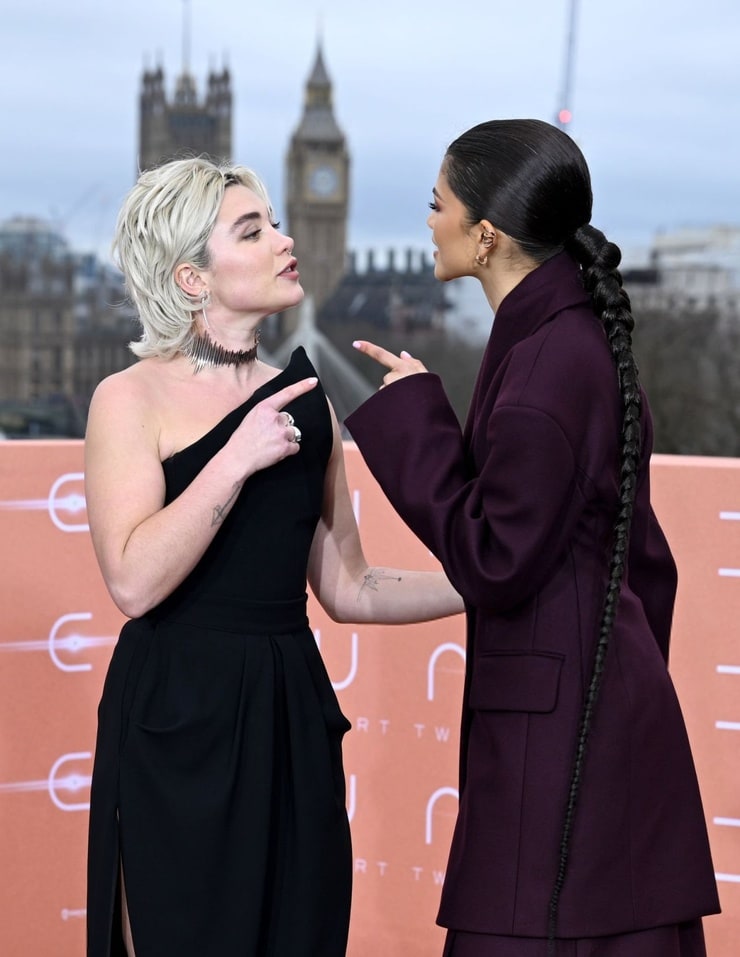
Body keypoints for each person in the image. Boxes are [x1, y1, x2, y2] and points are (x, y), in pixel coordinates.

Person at [345, 119, 720, 956]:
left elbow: (493, 558)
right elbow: (644, 559)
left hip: (559, 753)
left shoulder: (545, 367)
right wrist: (618, 672)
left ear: (484, 234)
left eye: (436, 203)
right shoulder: (571, 342)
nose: (427, 220)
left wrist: (415, 415)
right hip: (599, 723)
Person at [84, 155, 464, 957]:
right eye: (252, 230)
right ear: (193, 278)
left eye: (277, 222)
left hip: (289, 720)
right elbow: (132, 580)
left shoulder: (308, 395)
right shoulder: (129, 397)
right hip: (174, 722)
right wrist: (234, 456)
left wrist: (485, 580)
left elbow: (350, 585)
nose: (285, 240)